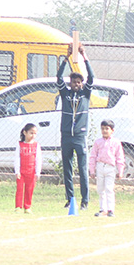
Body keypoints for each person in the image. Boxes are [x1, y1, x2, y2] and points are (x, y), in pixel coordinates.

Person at [57, 43, 95, 210]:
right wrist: (66, 58)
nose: (77, 84)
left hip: (80, 136)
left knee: (82, 169)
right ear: (70, 82)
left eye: (79, 82)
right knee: (67, 169)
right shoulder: (65, 94)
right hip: (66, 136)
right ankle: (70, 199)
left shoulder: (85, 94)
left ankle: (85, 201)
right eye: (74, 82)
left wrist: (83, 55)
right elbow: (58, 78)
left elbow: (92, 77)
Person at [90, 119, 124, 217]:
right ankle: (102, 209)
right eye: (103, 129)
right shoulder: (98, 142)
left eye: (107, 129)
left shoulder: (116, 142)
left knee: (109, 189)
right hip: (100, 166)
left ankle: (110, 210)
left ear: (112, 130)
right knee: (100, 189)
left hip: (110, 168)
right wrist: (92, 170)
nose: (104, 131)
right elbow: (93, 156)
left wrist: (120, 171)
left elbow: (119, 157)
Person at [14, 123, 42, 214]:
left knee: (29, 189)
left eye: (35, 133)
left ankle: (27, 207)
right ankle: (18, 206)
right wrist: (17, 171)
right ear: (25, 133)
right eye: (31, 133)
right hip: (21, 171)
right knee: (20, 188)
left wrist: (38, 172)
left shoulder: (36, 145)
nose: (33, 136)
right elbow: (17, 158)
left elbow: (38, 159)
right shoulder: (20, 145)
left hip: (31, 172)